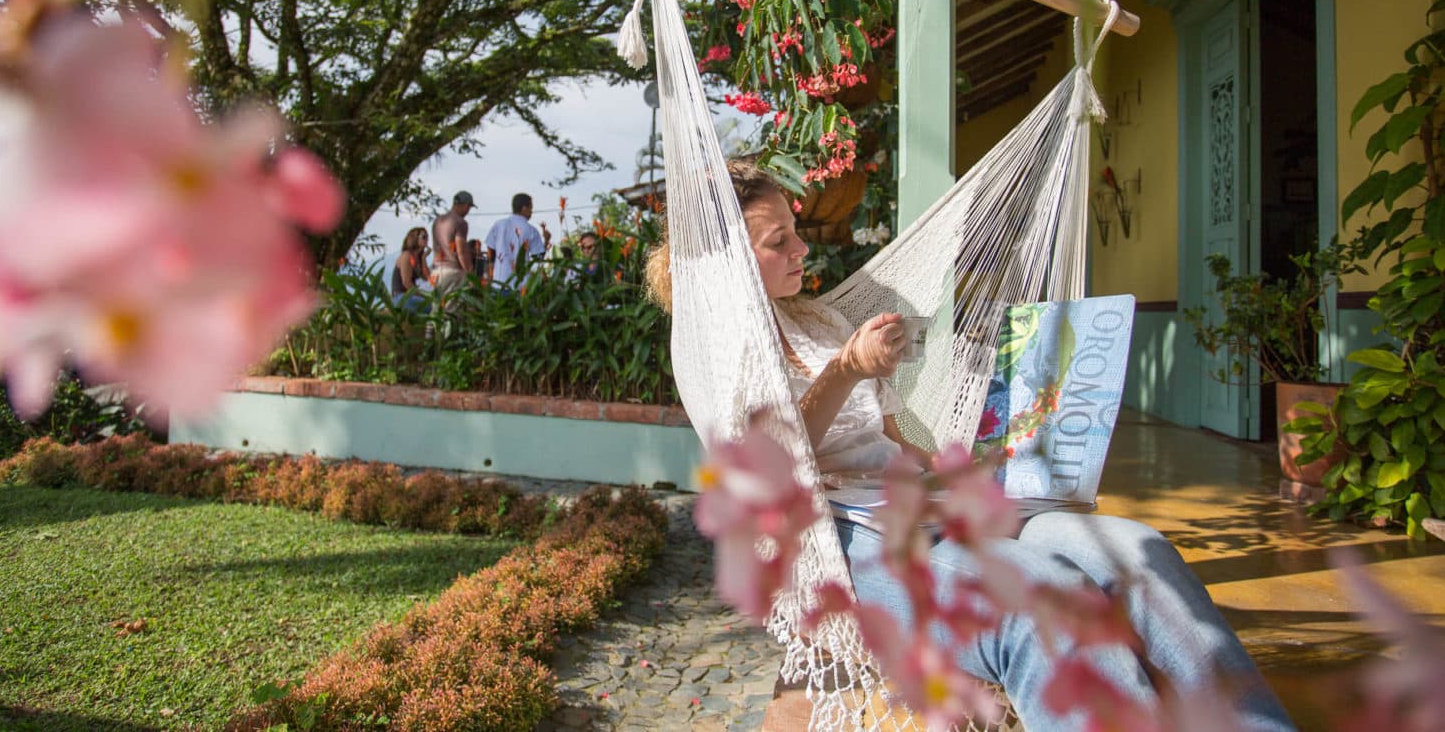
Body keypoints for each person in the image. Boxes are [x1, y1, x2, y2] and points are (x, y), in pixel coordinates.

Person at [643, 160, 1295, 732]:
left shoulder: (823, 320)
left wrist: (977, 457)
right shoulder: (714, 353)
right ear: (725, 259)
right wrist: (845, 369)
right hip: (833, 545)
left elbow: (898, 437)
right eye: (776, 241)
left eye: (796, 231)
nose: (801, 251)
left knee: (1138, 553)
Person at [483, 193, 547, 290]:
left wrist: (491, 269)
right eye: (530, 208)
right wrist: (546, 240)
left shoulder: (499, 225)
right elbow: (538, 257)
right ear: (524, 208)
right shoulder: (531, 230)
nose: (531, 212)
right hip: (521, 286)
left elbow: (490, 249)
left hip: (499, 283)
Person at [431, 191, 475, 303]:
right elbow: (461, 252)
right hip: (452, 272)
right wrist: (470, 273)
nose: (468, 211)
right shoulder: (461, 223)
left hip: (436, 270)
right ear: (465, 205)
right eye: (469, 207)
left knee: (437, 309)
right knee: (451, 310)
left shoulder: (438, 221)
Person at [391, 227, 431, 312]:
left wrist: (423, 259)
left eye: (427, 236)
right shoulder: (407, 255)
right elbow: (406, 282)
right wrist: (423, 295)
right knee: (433, 307)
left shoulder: (418, 258)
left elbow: (426, 277)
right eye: (424, 237)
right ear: (415, 238)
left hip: (411, 295)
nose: (427, 239)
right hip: (402, 296)